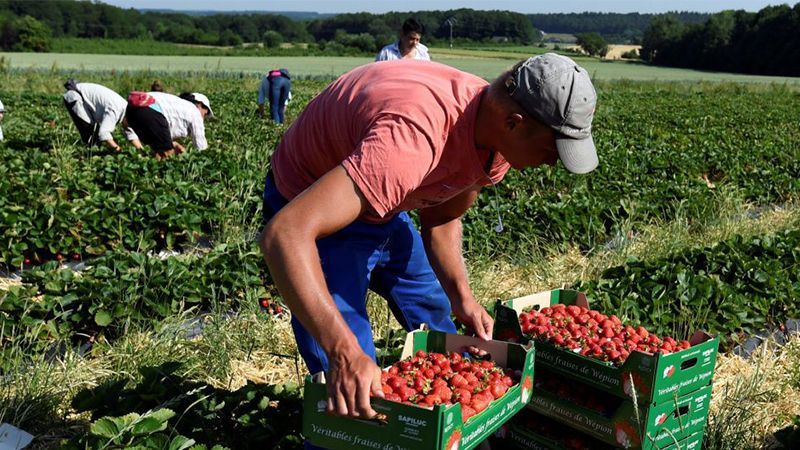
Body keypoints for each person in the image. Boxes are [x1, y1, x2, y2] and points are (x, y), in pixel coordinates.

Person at [258, 53, 598, 429]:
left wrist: (463, 298)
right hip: (314, 204)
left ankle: (443, 428)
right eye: (552, 150)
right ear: (514, 123)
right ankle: (345, 430)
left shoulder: (496, 145)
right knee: (351, 379)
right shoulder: (410, 141)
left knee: (438, 319)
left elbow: (441, 216)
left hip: (385, 197)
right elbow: (286, 234)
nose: (552, 163)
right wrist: (343, 352)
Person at [124, 91, 212, 159]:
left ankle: (153, 174)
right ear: (200, 105)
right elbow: (201, 146)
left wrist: (172, 144)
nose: (203, 119)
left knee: (158, 151)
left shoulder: (176, 104)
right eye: (204, 114)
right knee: (168, 154)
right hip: (149, 110)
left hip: (132, 109)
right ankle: (160, 178)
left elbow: (162, 134)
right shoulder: (194, 111)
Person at [62, 80, 142, 151]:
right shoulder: (115, 110)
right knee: (90, 133)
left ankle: (92, 152)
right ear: (128, 118)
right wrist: (117, 150)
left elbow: (130, 133)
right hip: (75, 96)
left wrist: (141, 151)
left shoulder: (127, 111)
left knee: (95, 133)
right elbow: (103, 133)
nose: (129, 127)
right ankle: (89, 157)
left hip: (85, 99)